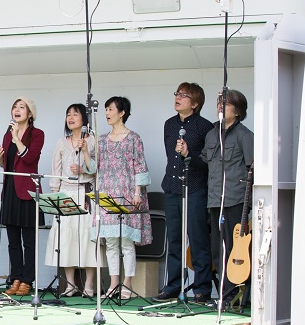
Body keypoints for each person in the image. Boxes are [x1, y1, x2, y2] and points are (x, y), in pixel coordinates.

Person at [154, 82, 214, 304]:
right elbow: (171, 158)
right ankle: (173, 286)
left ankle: (201, 289)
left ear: (195, 103)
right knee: (175, 239)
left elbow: (209, 162)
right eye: (177, 93)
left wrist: (189, 154)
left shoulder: (205, 127)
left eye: (184, 95)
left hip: (195, 188)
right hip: (172, 188)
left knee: (198, 240)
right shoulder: (169, 125)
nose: (178, 98)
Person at [93, 97, 152, 299]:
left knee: (126, 242)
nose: (107, 113)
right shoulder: (101, 140)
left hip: (128, 194)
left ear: (122, 112)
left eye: (110, 109)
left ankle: (127, 283)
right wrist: (84, 151)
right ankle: (113, 283)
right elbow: (93, 168)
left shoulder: (134, 138)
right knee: (111, 243)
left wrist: (137, 192)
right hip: (107, 194)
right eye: (106, 110)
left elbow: (140, 166)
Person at [201, 89, 254, 304]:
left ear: (238, 110)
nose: (220, 107)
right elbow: (204, 162)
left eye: (226, 103)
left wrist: (248, 203)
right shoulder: (211, 134)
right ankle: (224, 294)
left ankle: (238, 295)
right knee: (217, 249)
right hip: (215, 200)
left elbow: (252, 169)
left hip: (235, 200)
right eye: (218, 102)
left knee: (235, 250)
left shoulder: (245, 135)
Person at [45, 103, 97, 298]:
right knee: (66, 239)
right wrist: (54, 194)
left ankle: (89, 285)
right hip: (66, 193)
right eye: (68, 114)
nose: (71, 117)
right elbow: (55, 170)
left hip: (85, 194)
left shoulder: (92, 141)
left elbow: (97, 169)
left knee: (87, 239)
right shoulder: (62, 142)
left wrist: (83, 170)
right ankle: (70, 284)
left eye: (75, 114)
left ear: (84, 119)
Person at [0, 97, 44, 297]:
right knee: (12, 241)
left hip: (28, 191)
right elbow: (7, 165)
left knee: (29, 241)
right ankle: (15, 278)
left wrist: (17, 137)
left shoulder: (37, 134)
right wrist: (0, 157)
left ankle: (27, 280)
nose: (16, 110)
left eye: (21, 107)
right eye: (14, 107)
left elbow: (30, 158)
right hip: (10, 191)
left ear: (30, 113)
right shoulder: (7, 135)